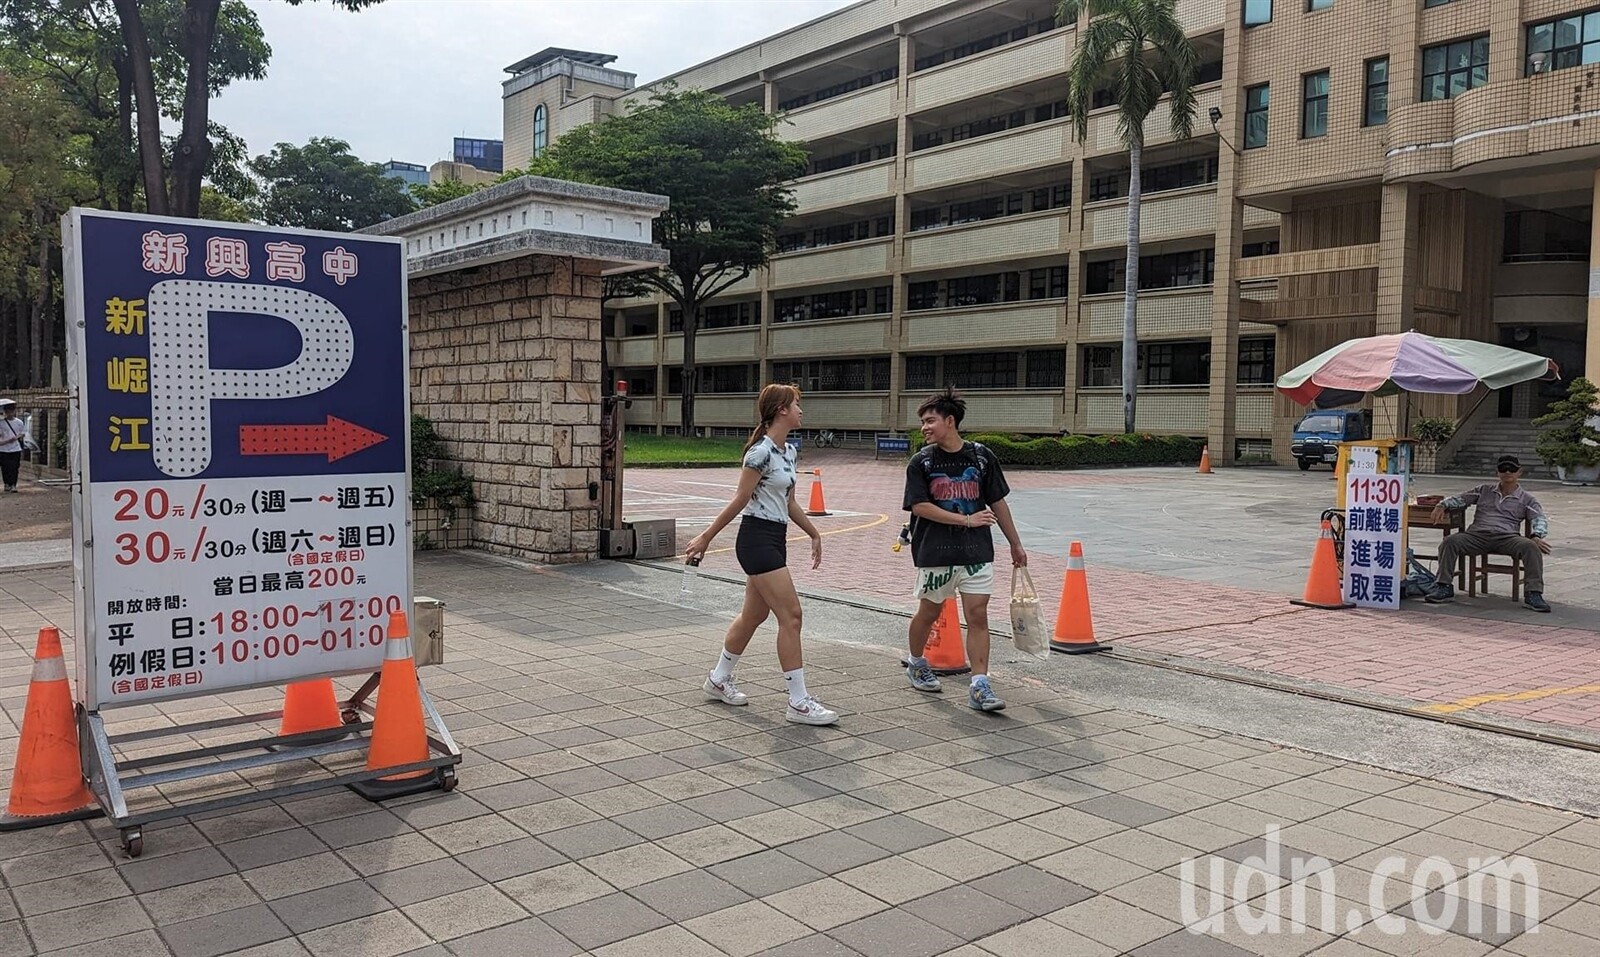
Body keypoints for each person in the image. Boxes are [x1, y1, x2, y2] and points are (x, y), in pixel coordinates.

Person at [684, 384, 838, 726]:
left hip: (775, 537)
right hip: (755, 540)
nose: (802, 410)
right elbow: (740, 500)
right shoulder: (759, 453)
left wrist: (813, 532)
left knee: (753, 616)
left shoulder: (790, 452)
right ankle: (798, 702)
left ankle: (718, 678)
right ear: (781, 409)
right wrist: (707, 537)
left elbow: (790, 502)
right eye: (797, 404)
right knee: (792, 615)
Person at [901, 388, 1027, 711]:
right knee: (928, 613)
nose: (924, 428)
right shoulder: (922, 462)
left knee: (977, 615)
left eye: (930, 421)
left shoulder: (981, 457)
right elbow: (920, 507)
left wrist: (1015, 543)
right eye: (923, 422)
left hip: (976, 553)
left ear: (950, 421)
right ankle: (916, 661)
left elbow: (998, 501)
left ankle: (979, 684)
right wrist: (967, 519)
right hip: (935, 551)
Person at [1424, 454, 1552, 613]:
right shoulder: (1483, 490)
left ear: (1519, 472)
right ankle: (1443, 586)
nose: (1507, 472)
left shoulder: (1527, 499)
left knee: (1530, 547)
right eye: (1503, 469)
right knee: (1450, 541)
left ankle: (1533, 593)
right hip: (1477, 535)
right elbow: (1461, 499)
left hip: (1507, 537)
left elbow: (1539, 517)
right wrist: (1441, 505)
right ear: (1497, 472)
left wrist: (1536, 535)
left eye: (1511, 469)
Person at [0, 399, 25, 493]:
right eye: (7, 411)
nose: (9, 413)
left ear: (14, 411)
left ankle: (13, 484)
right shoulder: (1, 423)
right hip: (3, 449)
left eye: (11, 411)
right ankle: (7, 483)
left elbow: (22, 433)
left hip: (15, 448)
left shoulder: (19, 422)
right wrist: (6, 440)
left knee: (15, 467)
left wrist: (17, 437)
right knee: (5, 467)